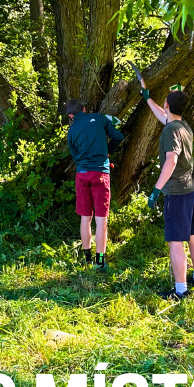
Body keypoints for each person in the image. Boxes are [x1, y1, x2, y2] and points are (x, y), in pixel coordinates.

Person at [140, 80, 194, 300]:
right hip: (193, 188)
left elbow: (171, 160)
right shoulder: (183, 125)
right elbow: (163, 116)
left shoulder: (170, 130)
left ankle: (180, 290)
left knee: (175, 241)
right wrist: (147, 98)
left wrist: (156, 189)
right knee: (192, 235)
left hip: (178, 192)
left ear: (167, 104)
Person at [65, 99, 124, 269]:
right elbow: (118, 136)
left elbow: (76, 157)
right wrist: (106, 151)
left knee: (85, 218)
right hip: (100, 174)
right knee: (101, 219)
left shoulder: (71, 131)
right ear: (84, 109)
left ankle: (87, 258)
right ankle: (100, 262)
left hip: (82, 174)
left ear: (70, 116)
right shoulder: (99, 118)